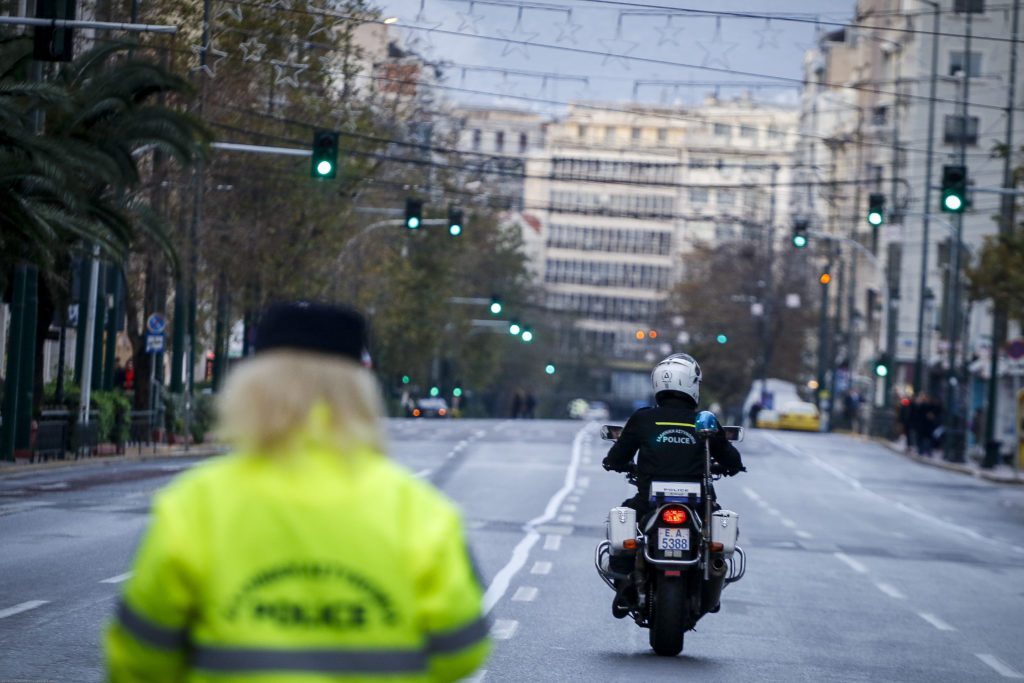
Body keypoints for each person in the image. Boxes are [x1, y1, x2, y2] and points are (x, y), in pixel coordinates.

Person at [104, 301, 490, 682]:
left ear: (251, 387)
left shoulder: (195, 503)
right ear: (360, 392)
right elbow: (462, 650)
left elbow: (140, 657)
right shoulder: (420, 511)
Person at [601, 353, 745, 611]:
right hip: (699, 504)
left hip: (649, 502)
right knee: (718, 531)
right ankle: (712, 582)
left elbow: (617, 456)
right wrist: (733, 467)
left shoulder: (643, 418)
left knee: (624, 522)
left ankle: (625, 587)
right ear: (692, 384)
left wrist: (615, 463)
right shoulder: (704, 421)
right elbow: (731, 458)